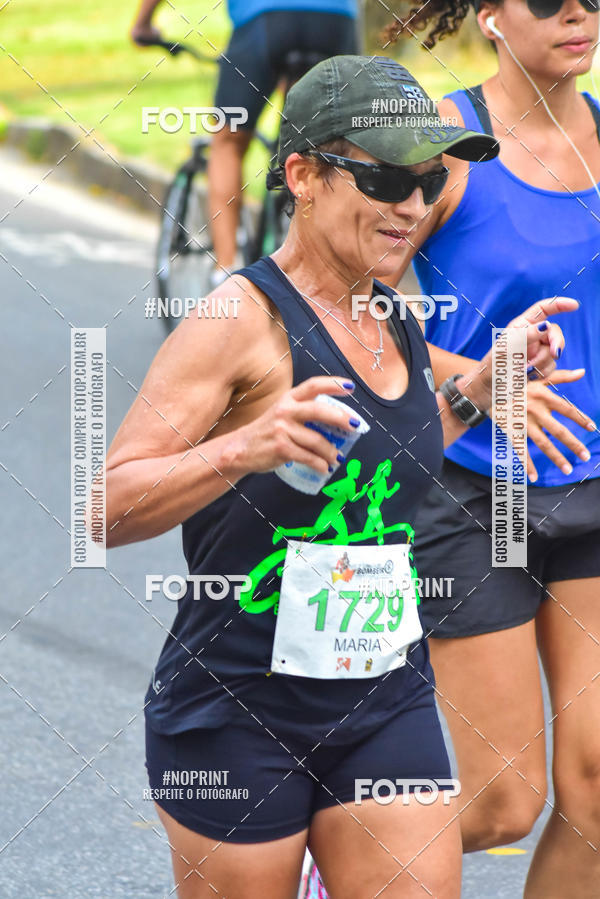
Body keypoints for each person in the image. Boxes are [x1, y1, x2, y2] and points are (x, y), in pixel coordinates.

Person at [105, 56, 573, 898]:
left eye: (430, 181)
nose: (412, 207)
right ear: (304, 175)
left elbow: (385, 453)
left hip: (381, 694)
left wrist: (476, 391)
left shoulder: (388, 311)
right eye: (388, 176)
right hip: (238, 706)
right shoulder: (234, 321)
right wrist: (240, 449)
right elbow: (103, 505)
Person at [383, 3, 600, 896]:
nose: (578, 12)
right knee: (507, 801)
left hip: (591, 490)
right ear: (490, 16)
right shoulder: (446, 147)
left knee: (597, 790)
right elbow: (347, 310)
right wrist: (478, 374)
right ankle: (337, 850)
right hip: (473, 491)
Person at [130, 0, 359, 285]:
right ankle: (330, 271)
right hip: (336, 21)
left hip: (265, 18)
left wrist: (143, 24)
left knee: (229, 140)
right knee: (323, 143)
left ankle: (228, 273)